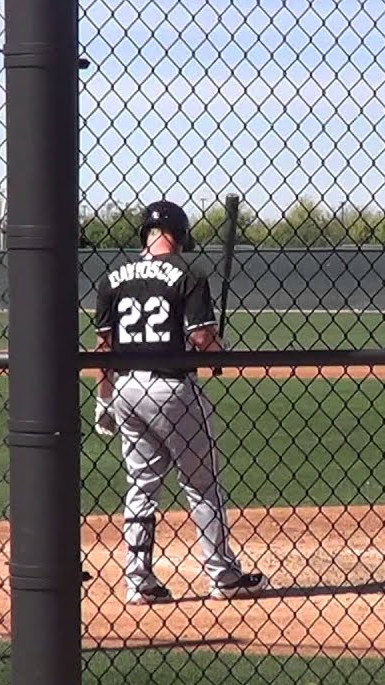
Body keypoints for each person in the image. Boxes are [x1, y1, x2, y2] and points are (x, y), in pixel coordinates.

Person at [93, 199, 269, 605]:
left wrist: (103, 400)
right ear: (180, 232)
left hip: (126, 390)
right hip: (171, 388)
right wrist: (218, 348)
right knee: (202, 484)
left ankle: (138, 581)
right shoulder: (189, 272)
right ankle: (223, 575)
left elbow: (104, 346)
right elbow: (203, 340)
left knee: (140, 486)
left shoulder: (114, 276)